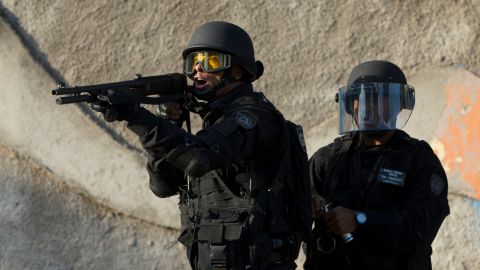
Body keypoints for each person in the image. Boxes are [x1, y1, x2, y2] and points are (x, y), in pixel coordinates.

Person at [92, 21, 311, 270]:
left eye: (210, 62)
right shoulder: (212, 126)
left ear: (237, 71)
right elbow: (162, 186)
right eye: (192, 62)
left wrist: (136, 116)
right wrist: (169, 125)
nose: (197, 70)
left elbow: (198, 159)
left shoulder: (254, 117)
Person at [305, 60, 450, 270]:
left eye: (376, 98)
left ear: (397, 105)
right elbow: (290, 212)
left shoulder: (419, 161)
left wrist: (360, 220)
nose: (366, 107)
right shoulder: (329, 159)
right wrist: (309, 204)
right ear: (349, 105)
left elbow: (420, 230)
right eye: (359, 99)